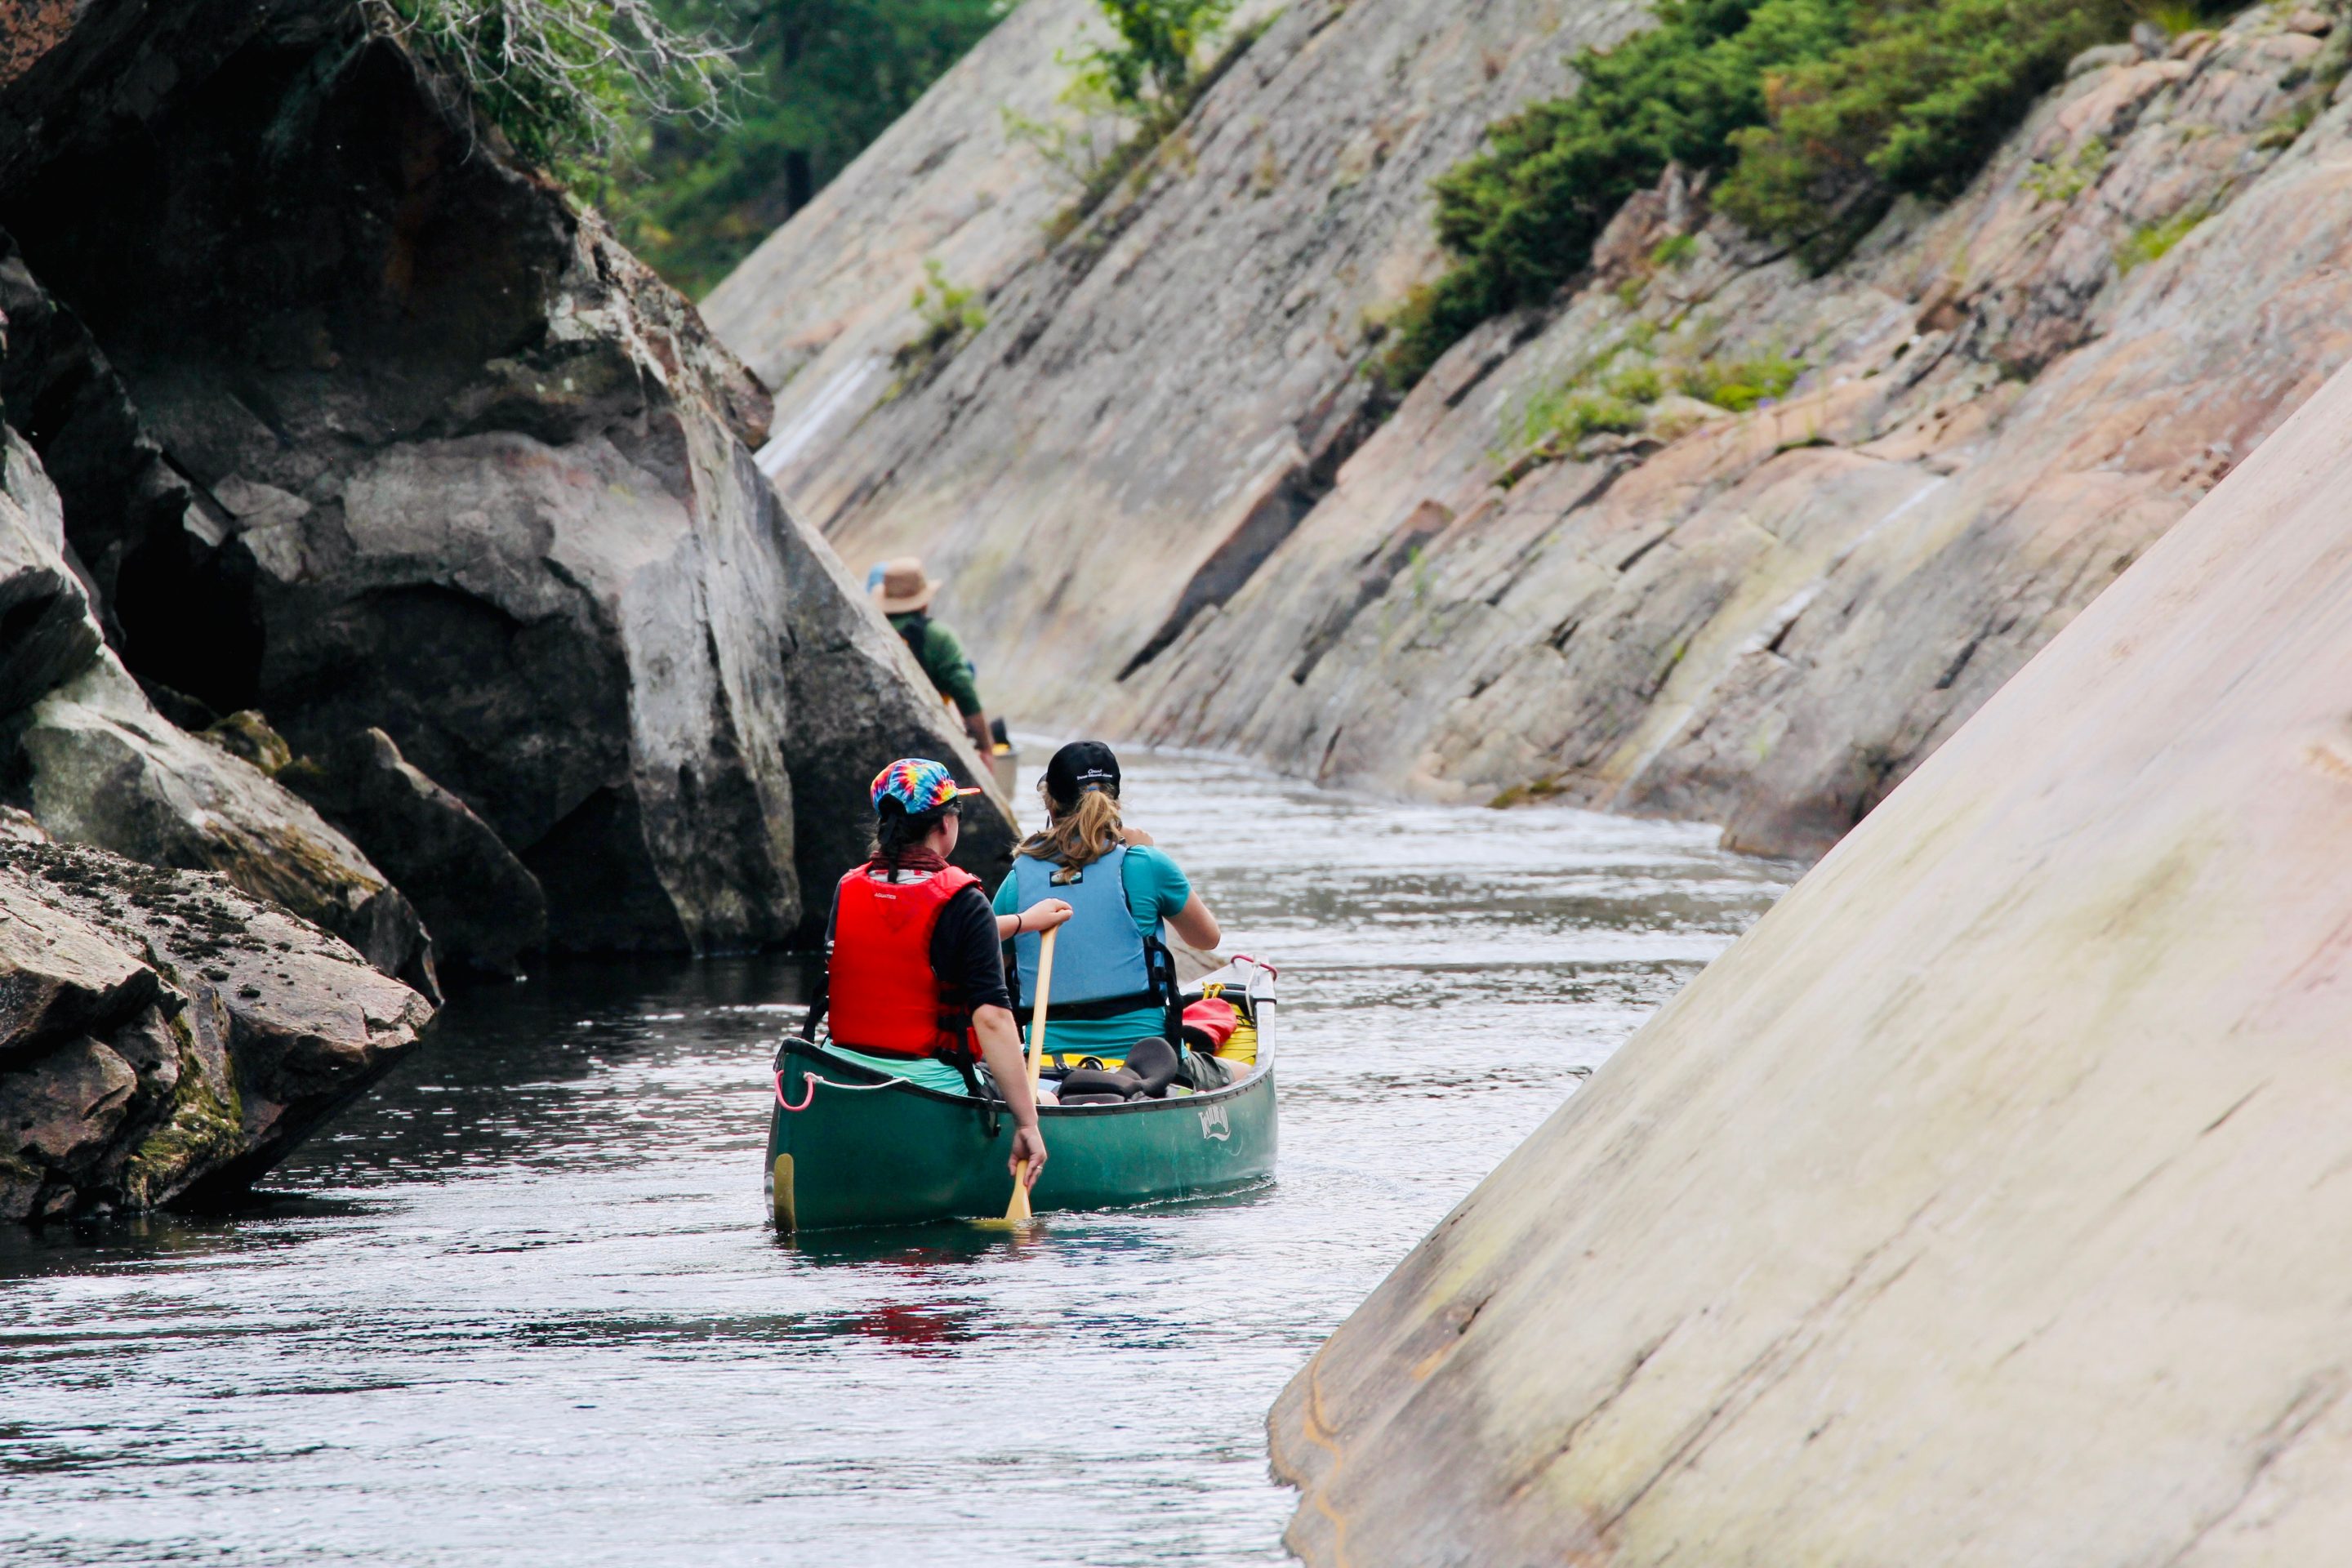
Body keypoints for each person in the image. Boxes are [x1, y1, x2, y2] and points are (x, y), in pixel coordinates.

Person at [820, 758, 1072, 1186]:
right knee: (1048, 1097)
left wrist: (1023, 921)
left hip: (844, 1071)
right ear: (944, 825)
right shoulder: (963, 900)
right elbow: (991, 1019)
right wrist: (1027, 1125)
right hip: (928, 1079)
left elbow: (914, 933)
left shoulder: (849, 888)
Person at [992, 741, 1234, 1090]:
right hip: (1149, 1063)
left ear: (1051, 804)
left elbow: (999, 973)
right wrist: (1147, 855)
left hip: (1046, 1067)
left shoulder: (1018, 879)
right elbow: (1206, 938)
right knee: (1234, 1073)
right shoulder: (1146, 864)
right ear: (1114, 802)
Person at [871, 558, 996, 764]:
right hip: (927, 743)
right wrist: (985, 747)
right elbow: (963, 689)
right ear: (924, 601)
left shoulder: (873, 632)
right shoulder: (938, 637)